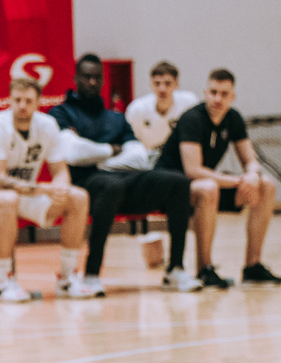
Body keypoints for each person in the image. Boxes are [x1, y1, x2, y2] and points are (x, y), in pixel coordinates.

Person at [50, 54, 200, 294]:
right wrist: (113, 149)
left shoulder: (116, 118)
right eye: (86, 77)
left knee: (178, 182)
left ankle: (175, 270)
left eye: (97, 77)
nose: (92, 82)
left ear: (102, 80)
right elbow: (73, 152)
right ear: (76, 79)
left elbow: (138, 156)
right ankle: (91, 274)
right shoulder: (60, 113)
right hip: (85, 184)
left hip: (122, 181)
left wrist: (96, 159)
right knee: (111, 186)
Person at [0, 75, 92, 300]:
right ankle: (4, 282)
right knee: (8, 200)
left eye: (28, 101)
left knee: (78, 197)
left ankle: (67, 278)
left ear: (38, 102)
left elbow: (60, 171)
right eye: (17, 100)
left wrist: (60, 188)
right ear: (9, 100)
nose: (22, 106)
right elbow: (0, 181)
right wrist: (44, 189)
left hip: (25, 195)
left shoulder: (48, 125)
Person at [156, 70, 281, 287]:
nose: (218, 98)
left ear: (232, 97)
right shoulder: (192, 119)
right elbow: (193, 170)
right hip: (171, 188)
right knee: (208, 188)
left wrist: (253, 175)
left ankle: (252, 266)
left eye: (224, 94)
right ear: (205, 93)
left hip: (203, 186)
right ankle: (204, 269)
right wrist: (238, 181)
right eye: (213, 92)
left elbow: (250, 160)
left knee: (266, 185)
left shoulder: (233, 118)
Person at [125, 61, 199, 159]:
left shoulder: (189, 103)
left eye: (167, 83)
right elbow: (131, 141)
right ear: (151, 84)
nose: (162, 89)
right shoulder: (137, 109)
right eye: (157, 83)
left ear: (176, 84)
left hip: (179, 158)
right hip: (147, 158)